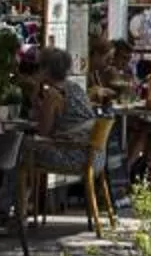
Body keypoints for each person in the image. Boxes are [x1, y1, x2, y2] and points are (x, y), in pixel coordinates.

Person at [27, 44, 98, 186]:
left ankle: (9, 201)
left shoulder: (52, 95)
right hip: (94, 156)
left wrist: (36, 88)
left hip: (72, 155)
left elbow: (44, 131)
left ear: (45, 70)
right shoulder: (76, 88)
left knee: (19, 152)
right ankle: (26, 200)